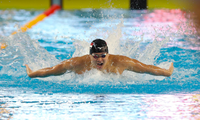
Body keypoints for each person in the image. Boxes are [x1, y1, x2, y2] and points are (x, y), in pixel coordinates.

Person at [25, 39, 174, 78]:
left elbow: (147, 68)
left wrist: (166, 72)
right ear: (90, 56)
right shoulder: (77, 63)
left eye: (103, 56)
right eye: (95, 56)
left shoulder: (121, 62)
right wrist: (33, 73)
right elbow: (52, 70)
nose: (99, 60)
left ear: (108, 55)